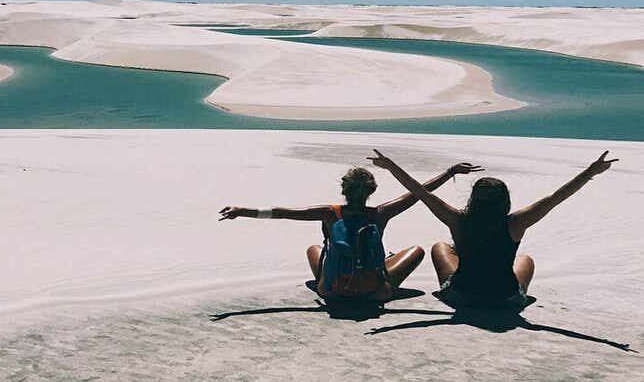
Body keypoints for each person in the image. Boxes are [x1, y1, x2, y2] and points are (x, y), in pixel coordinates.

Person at [367, 149, 619, 309]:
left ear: (474, 199)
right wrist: (590, 172)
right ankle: (517, 294)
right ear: (504, 200)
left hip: (461, 295)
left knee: (441, 247)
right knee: (525, 260)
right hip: (505, 298)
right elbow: (555, 198)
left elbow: (420, 192)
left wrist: (391, 166)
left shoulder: (458, 220)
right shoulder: (516, 222)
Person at [219, 162, 483, 301]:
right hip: (375, 291)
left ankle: (338, 276)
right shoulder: (380, 213)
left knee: (315, 249)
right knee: (415, 251)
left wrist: (242, 210)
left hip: (332, 291)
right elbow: (419, 193)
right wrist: (450, 172)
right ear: (371, 191)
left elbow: (282, 212)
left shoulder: (328, 213)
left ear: (344, 190)